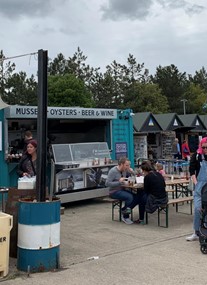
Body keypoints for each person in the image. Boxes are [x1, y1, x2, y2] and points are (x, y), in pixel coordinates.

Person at [106, 157, 146, 225]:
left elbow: (138, 175)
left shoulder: (125, 170)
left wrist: (132, 171)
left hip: (123, 189)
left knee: (138, 197)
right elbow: (107, 183)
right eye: (127, 165)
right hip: (114, 191)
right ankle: (125, 216)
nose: (128, 167)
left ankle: (123, 210)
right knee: (129, 197)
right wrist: (119, 182)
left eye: (129, 165)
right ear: (121, 164)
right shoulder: (113, 171)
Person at [186, 137, 207, 241]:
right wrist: (196, 183)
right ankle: (196, 232)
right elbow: (192, 170)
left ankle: (205, 232)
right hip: (199, 186)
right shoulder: (197, 156)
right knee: (197, 209)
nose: (205, 149)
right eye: (203, 147)